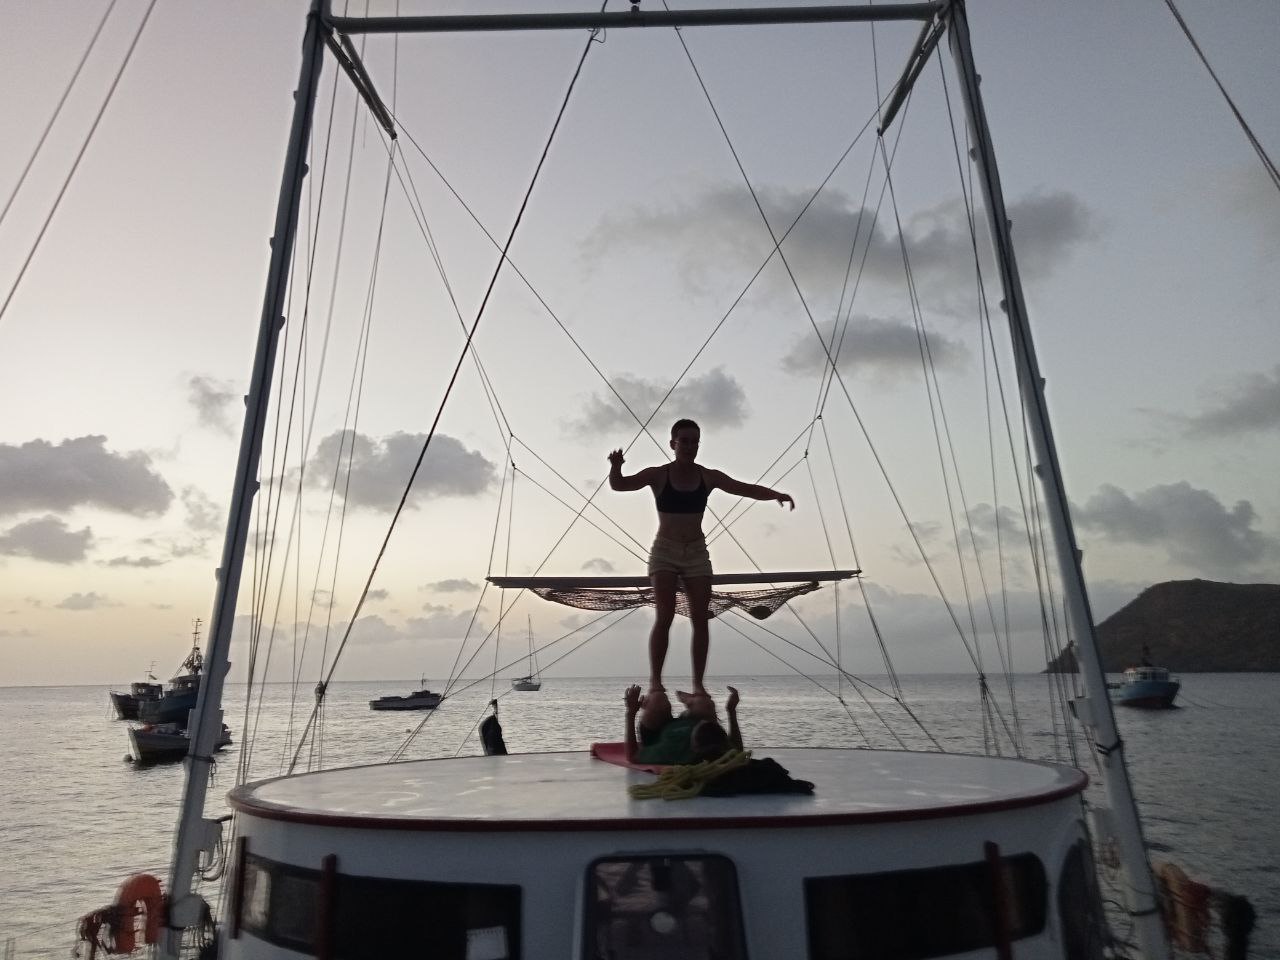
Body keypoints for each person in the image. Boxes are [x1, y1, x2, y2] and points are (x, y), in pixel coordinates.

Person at [608, 418, 794, 696]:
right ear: (673, 444)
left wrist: (775, 494)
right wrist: (615, 466)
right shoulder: (658, 475)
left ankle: (697, 683)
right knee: (665, 615)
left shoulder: (708, 477)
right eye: (684, 441)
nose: (690, 446)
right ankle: (656, 681)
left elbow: (744, 488)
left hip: (696, 552)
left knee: (700, 619)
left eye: (695, 442)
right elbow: (620, 485)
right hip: (665, 552)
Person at [624, 683, 742, 765]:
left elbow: (633, 756)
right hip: (688, 723)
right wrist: (731, 711)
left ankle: (690, 702)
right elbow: (737, 749)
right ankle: (693, 702)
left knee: (657, 698)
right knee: (705, 705)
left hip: (659, 731)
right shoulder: (717, 739)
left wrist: (631, 713)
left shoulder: (672, 751)